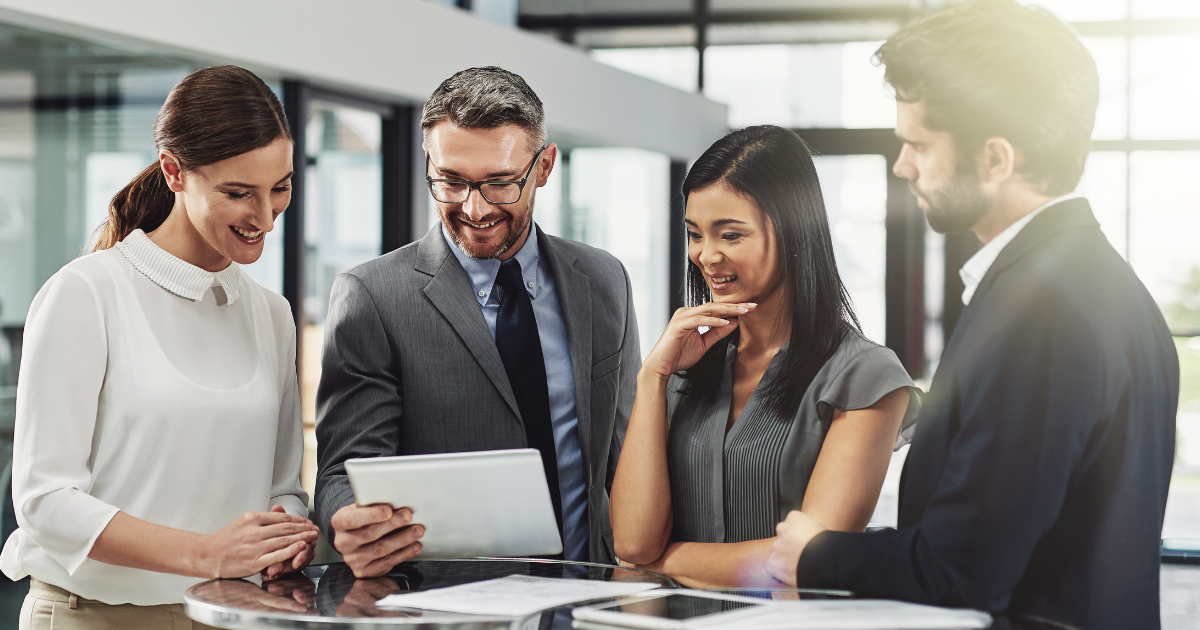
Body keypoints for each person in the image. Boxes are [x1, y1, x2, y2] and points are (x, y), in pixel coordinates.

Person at [765, 2, 1179, 629]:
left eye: (919, 145)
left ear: (995, 158)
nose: (904, 165)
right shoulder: (1105, 287)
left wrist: (815, 555)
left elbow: (965, 568)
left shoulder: (1043, 311)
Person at [1, 66, 317, 630]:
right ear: (174, 172)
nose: (265, 217)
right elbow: (45, 502)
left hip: (229, 616)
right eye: (238, 193)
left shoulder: (273, 314)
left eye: (281, 188)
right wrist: (207, 554)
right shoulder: (85, 294)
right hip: (90, 618)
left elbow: (282, 487)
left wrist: (282, 532)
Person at [315, 66, 641, 576]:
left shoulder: (605, 281)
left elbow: (628, 457)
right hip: (446, 604)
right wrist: (349, 519)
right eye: (451, 181)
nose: (475, 207)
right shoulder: (372, 297)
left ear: (545, 166)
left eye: (500, 183)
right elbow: (342, 473)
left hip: (589, 592)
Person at [609, 125, 920, 588]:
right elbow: (631, 544)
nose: (707, 255)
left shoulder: (865, 376)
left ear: (794, 230)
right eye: (695, 234)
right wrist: (652, 377)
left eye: (731, 235)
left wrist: (663, 563)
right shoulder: (684, 368)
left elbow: (808, 560)